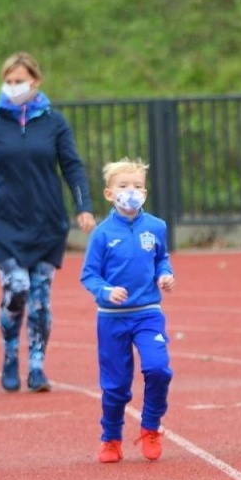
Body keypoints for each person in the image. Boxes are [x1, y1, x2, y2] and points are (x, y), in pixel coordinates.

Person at [0, 53, 95, 394]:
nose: (14, 87)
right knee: (17, 289)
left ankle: (37, 367)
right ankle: (9, 352)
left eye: (20, 80)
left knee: (41, 299)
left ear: (36, 82)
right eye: (9, 81)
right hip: (5, 224)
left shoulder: (55, 123)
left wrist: (83, 207)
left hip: (47, 223)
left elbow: (71, 166)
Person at [80, 158, 174, 463]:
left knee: (158, 368)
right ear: (109, 194)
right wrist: (106, 291)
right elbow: (89, 275)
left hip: (148, 312)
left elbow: (161, 259)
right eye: (123, 186)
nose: (130, 192)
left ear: (145, 192)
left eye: (136, 186)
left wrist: (164, 274)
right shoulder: (102, 234)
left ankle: (150, 427)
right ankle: (110, 437)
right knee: (116, 384)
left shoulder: (156, 227)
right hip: (112, 318)